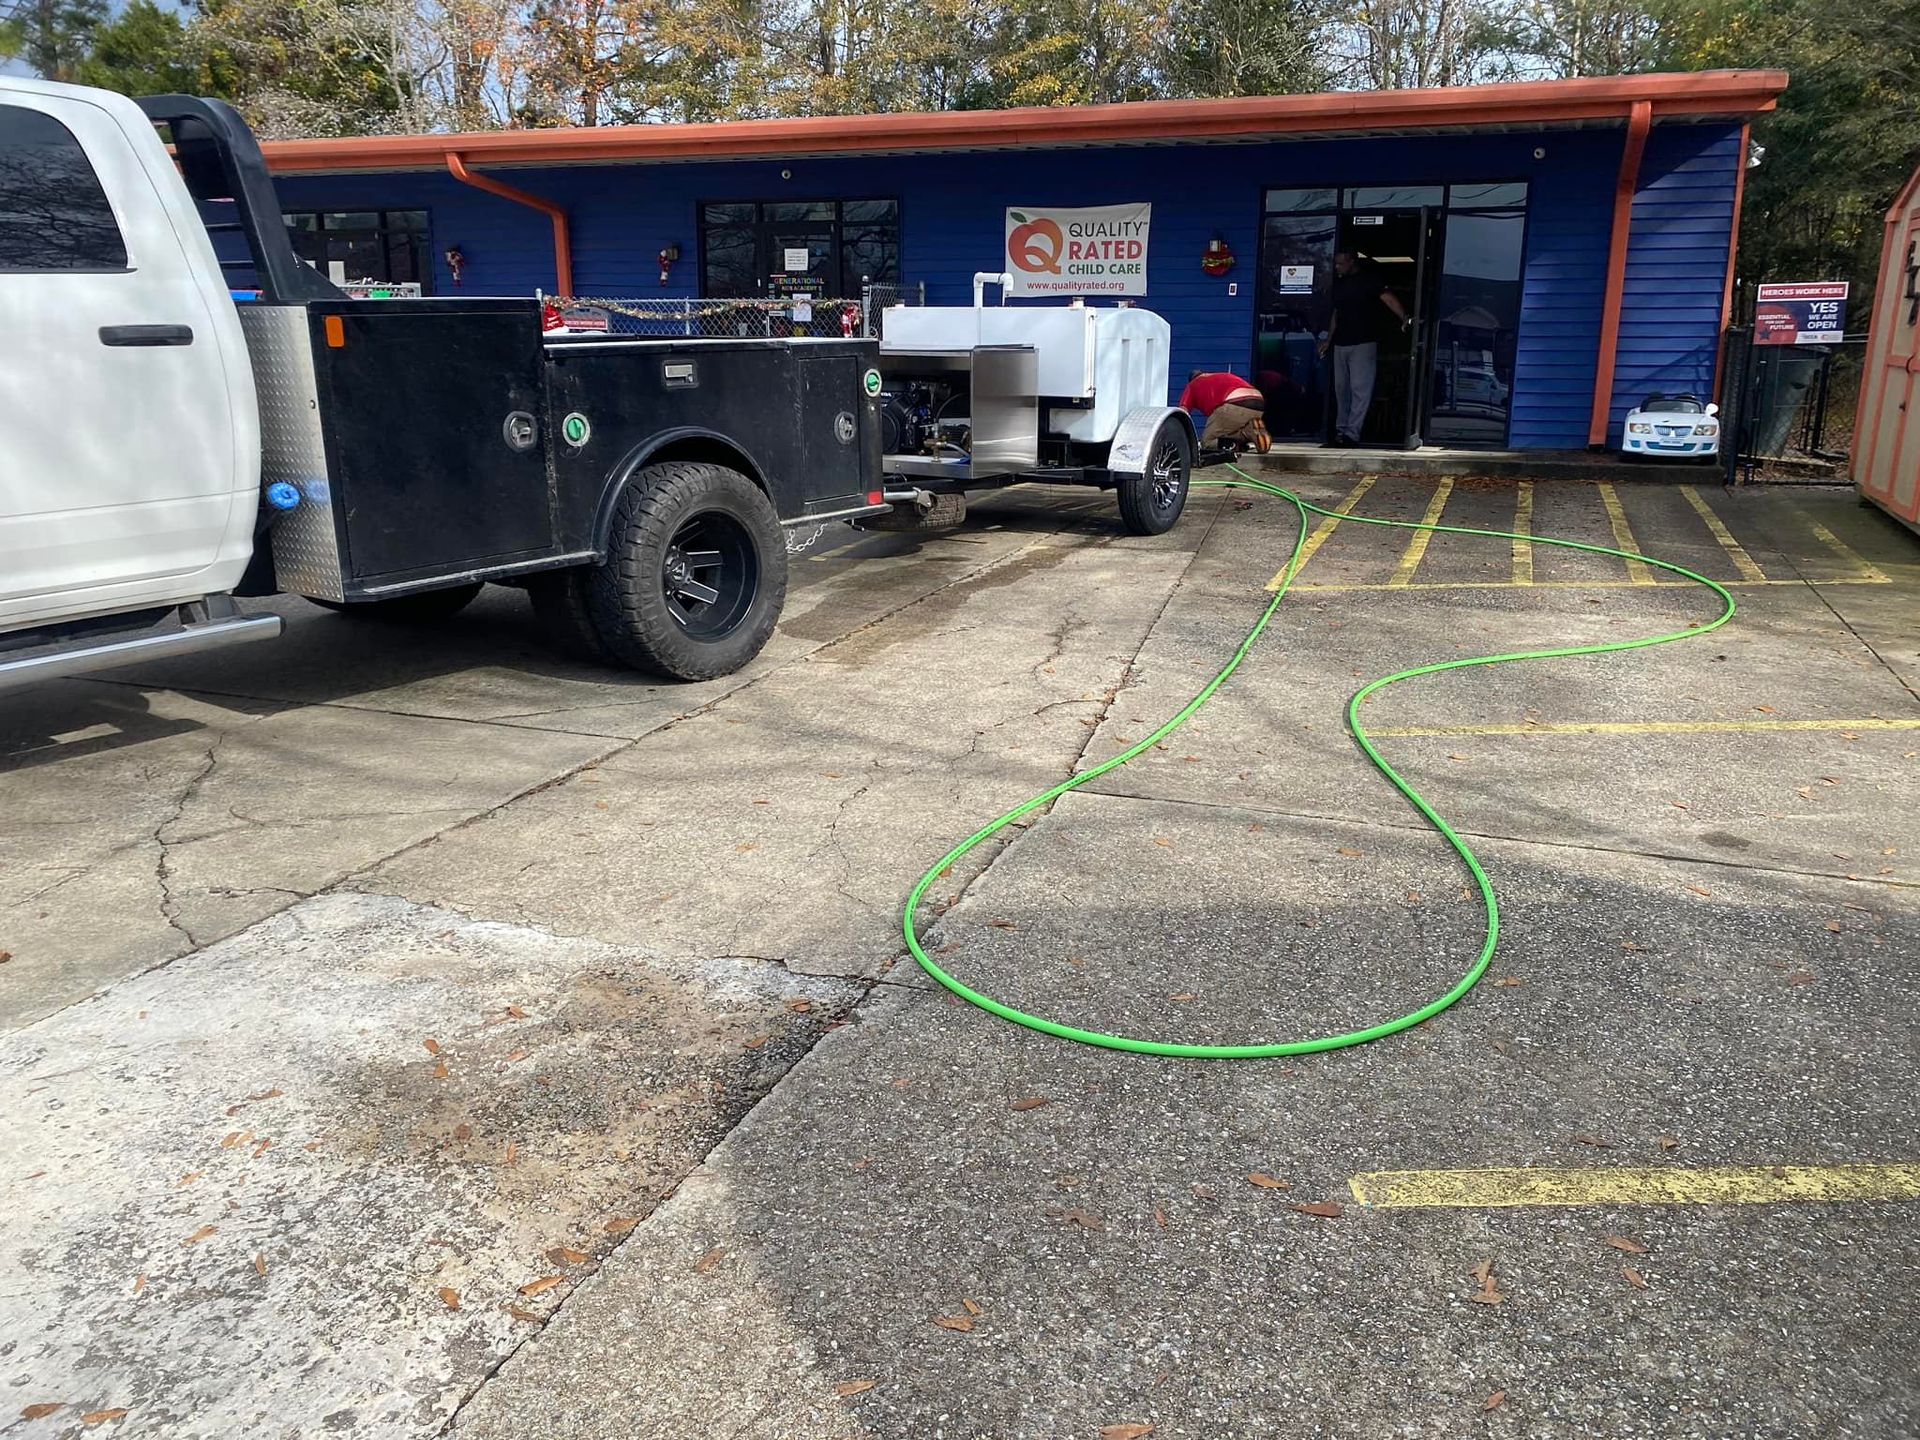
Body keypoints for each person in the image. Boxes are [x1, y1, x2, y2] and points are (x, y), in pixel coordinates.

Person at [1318, 250, 1411, 447]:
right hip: (1341, 343)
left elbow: (1388, 298)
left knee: (1360, 389)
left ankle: (1353, 433)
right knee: (1341, 390)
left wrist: (1404, 318)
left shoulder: (1370, 280)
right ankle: (1340, 432)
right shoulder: (1340, 284)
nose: (1337, 267)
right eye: (1335, 264)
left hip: (1363, 342)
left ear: (1352, 262)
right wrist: (1329, 339)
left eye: (1341, 264)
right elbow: (1336, 313)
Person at [1179, 370, 1271, 453]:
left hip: (1234, 403)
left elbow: (1183, 413)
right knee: (1228, 430)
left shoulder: (1192, 385)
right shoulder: (1220, 375)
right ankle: (1250, 431)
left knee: (1207, 442)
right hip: (1258, 402)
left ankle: (1232, 445)